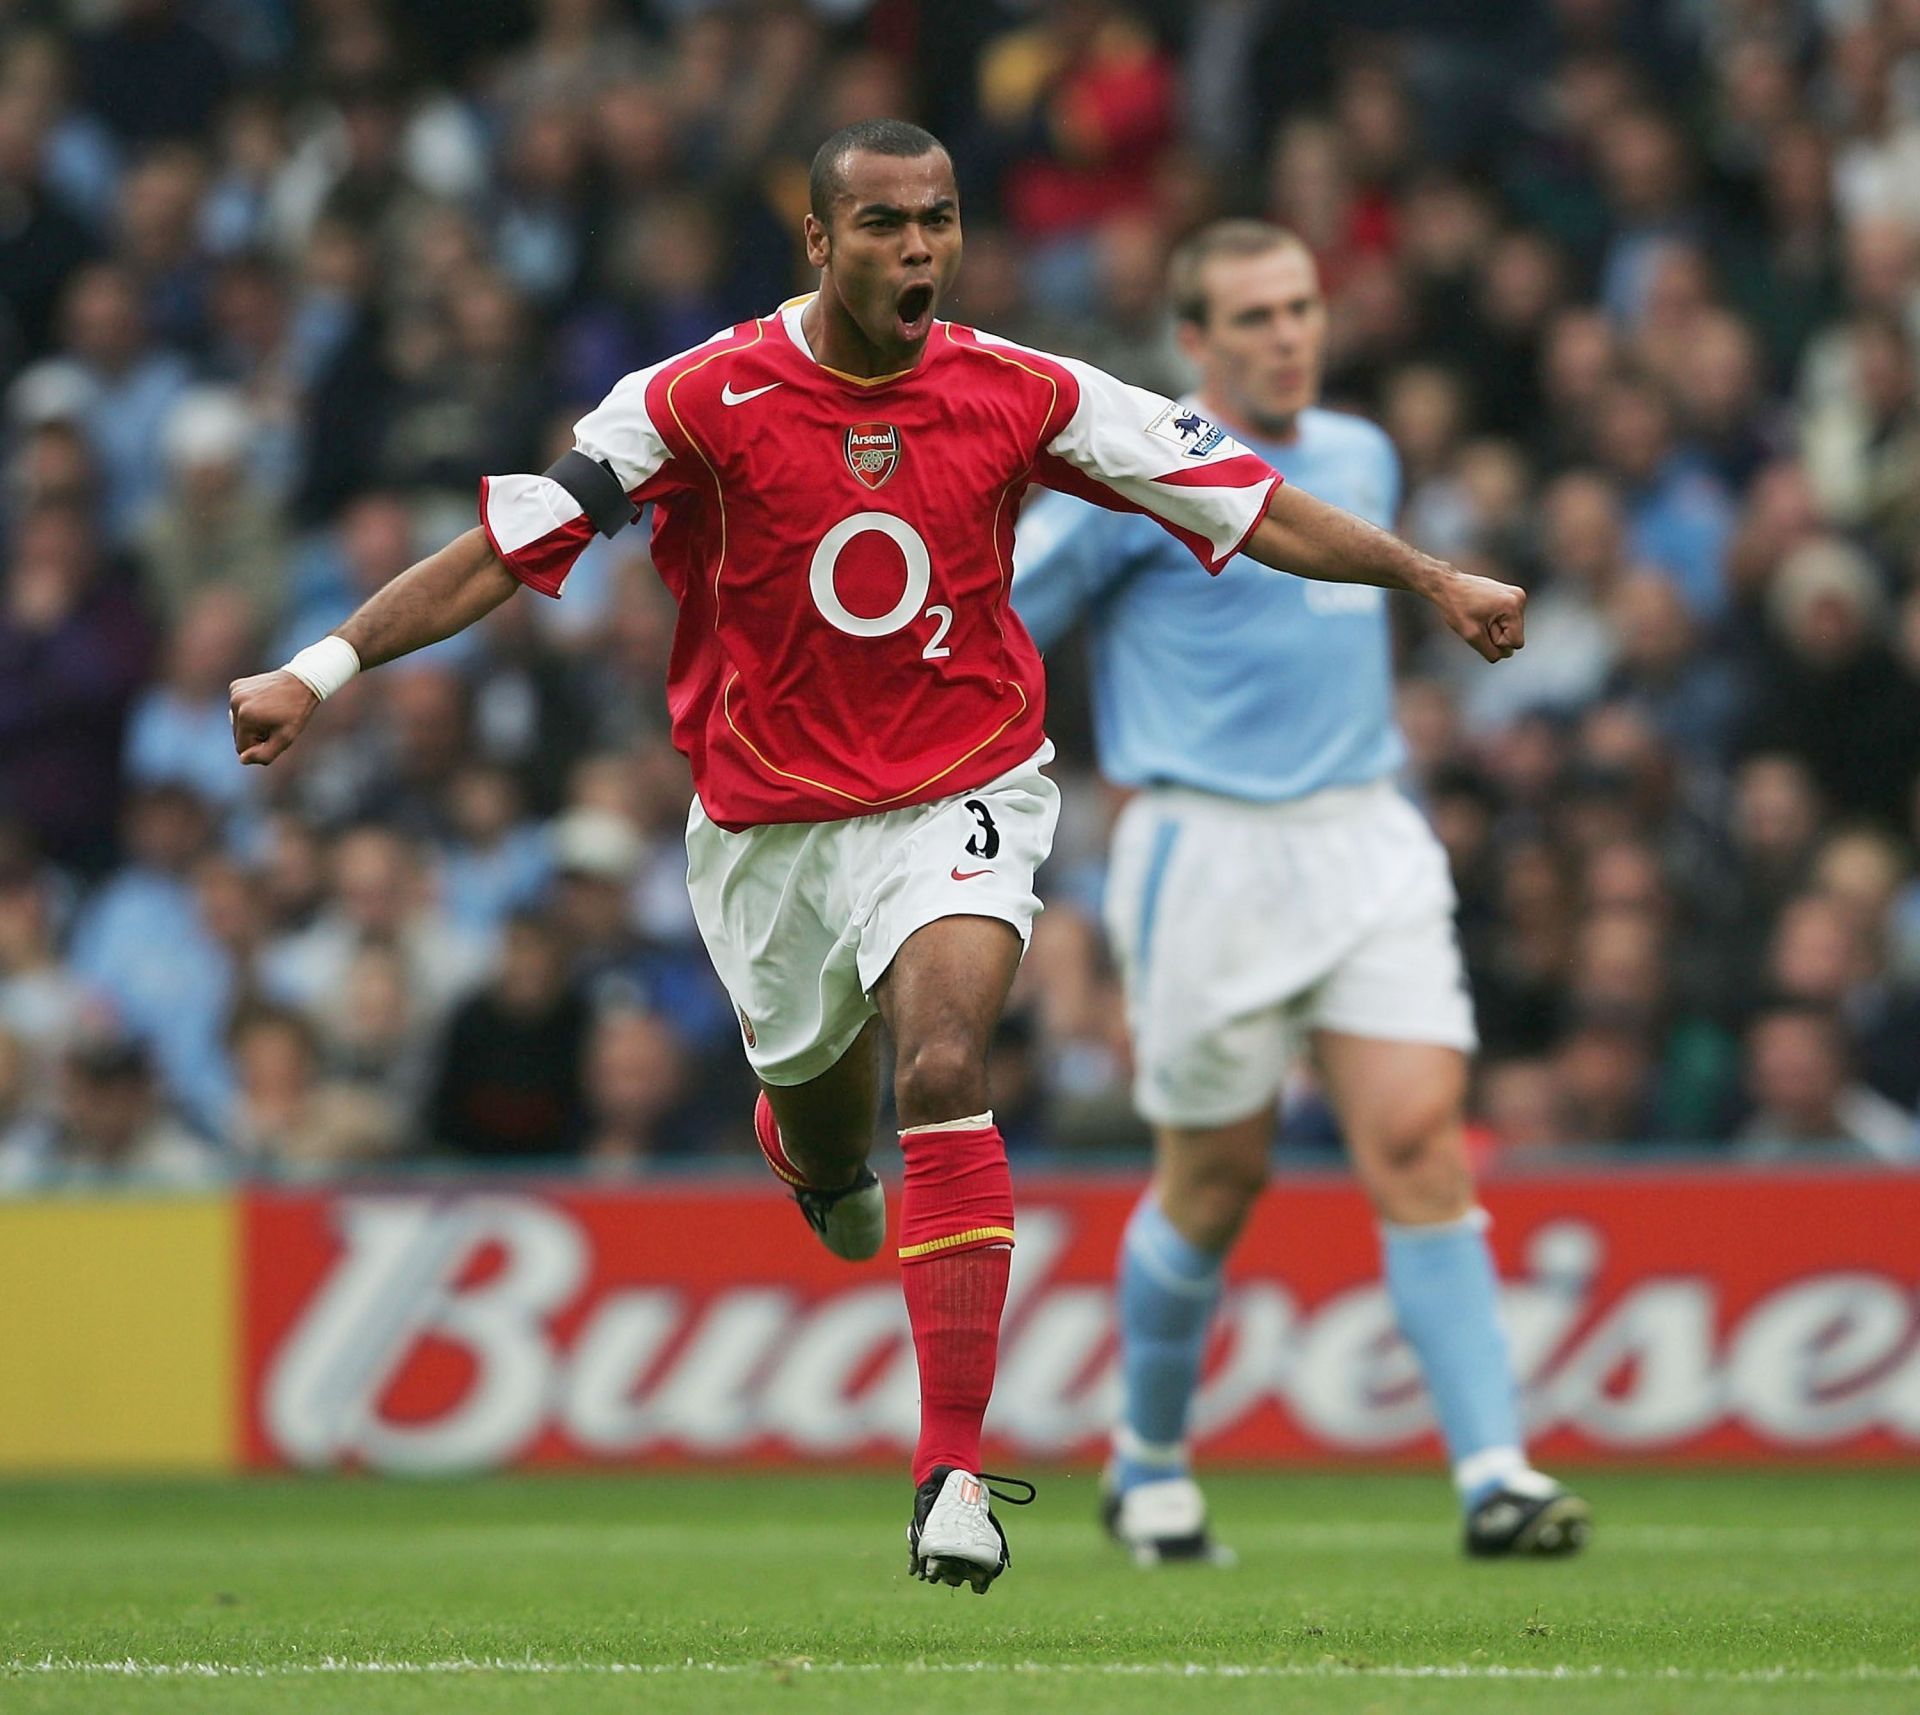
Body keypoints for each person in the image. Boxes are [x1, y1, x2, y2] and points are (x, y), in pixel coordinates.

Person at [230, 122, 1526, 1592]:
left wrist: (1430, 579)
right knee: (837, 1141)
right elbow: (502, 548)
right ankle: (814, 1154)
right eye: (887, 225)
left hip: (961, 789)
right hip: (768, 832)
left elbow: (1250, 498)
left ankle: (953, 1474)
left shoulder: (1025, 389)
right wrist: (316, 671)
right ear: (819, 241)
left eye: (941, 222)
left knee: (947, 1063)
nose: (919, 250)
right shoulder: (697, 399)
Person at [1013, 219, 1587, 1562]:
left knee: (1421, 1144)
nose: (1288, 334)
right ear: (1195, 341)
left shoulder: (1363, 453)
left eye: (1303, 307)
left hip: (1364, 836)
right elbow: (993, 615)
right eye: (1255, 316)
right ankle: (1147, 1460)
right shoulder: (1131, 479)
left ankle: (1494, 1475)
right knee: (1216, 1183)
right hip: (1206, 854)